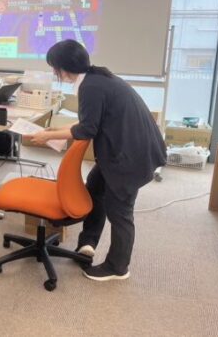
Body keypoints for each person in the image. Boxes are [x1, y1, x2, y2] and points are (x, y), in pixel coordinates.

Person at [30, 40, 166, 281]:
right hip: (127, 148)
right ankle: (88, 243)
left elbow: (87, 129)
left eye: (54, 67)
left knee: (120, 211)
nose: (54, 72)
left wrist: (47, 136)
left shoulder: (91, 86)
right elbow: (91, 119)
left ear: (64, 68)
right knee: (94, 189)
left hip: (130, 156)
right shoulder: (97, 78)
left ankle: (118, 267)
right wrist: (55, 132)